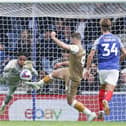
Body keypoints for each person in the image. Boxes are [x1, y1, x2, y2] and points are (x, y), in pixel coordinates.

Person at [25, 32, 96, 121]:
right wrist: (61, 63)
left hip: (73, 77)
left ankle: (89, 113)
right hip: (70, 71)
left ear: (74, 39)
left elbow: (64, 46)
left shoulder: (75, 47)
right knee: (54, 73)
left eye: (71, 40)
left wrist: (53, 38)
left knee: (70, 101)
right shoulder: (82, 49)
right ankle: (39, 84)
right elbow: (73, 62)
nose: (71, 41)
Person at [84, 18, 126, 120]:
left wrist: (87, 69)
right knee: (110, 89)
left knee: (102, 88)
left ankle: (101, 111)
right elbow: (125, 53)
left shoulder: (99, 39)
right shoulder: (117, 39)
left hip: (102, 69)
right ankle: (106, 101)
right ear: (110, 26)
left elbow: (90, 55)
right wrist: (118, 61)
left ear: (101, 27)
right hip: (113, 68)